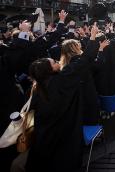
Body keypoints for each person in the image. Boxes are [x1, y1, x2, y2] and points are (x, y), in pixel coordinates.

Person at [25, 24, 102, 172]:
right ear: (48, 70)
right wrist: (92, 37)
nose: (56, 62)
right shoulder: (61, 79)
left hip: (45, 137)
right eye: (53, 63)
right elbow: (84, 61)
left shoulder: (34, 89)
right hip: (66, 133)